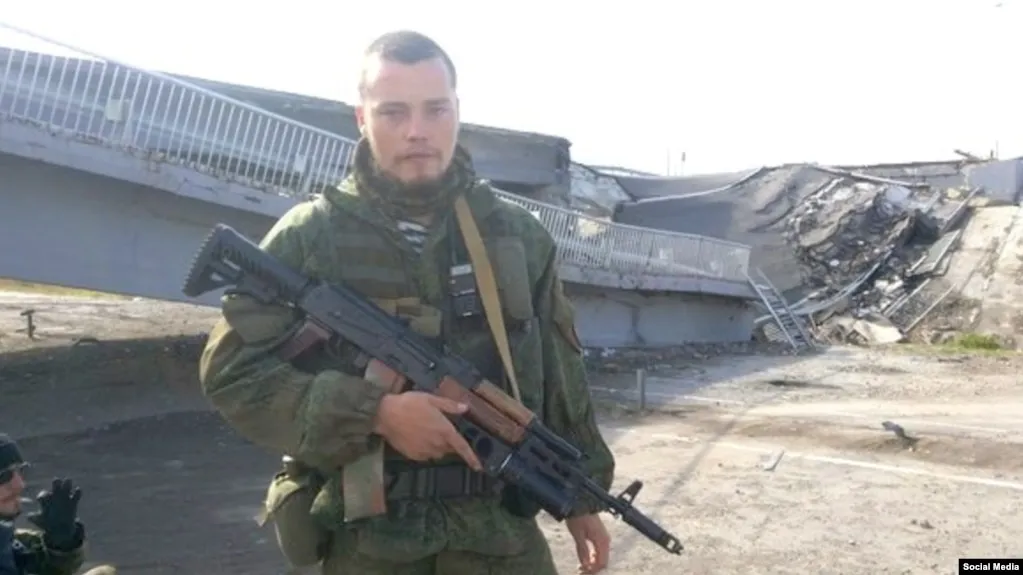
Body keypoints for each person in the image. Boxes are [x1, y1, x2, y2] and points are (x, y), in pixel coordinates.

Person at [199, 30, 615, 575]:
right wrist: (375, 413)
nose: (417, 131)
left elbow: (562, 375)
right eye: (393, 112)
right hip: (371, 546)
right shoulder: (312, 235)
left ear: (457, 111)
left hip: (501, 544)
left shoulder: (518, 237)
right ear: (361, 118)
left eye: (435, 109)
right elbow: (233, 373)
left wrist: (581, 499)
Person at [0, 433, 115, 575]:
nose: (20, 485)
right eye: (3, 476)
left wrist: (62, 545)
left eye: (20, 471)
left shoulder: (15, 545)